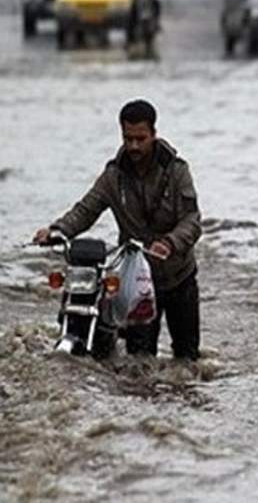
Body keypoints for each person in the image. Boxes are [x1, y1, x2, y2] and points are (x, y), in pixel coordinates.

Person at [33, 100, 202, 360]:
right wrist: (57, 230)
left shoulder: (177, 171)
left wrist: (169, 243)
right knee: (138, 363)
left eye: (140, 138)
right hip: (136, 284)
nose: (133, 146)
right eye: (128, 138)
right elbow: (86, 209)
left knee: (187, 359)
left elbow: (192, 220)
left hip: (179, 278)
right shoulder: (113, 176)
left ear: (153, 134)